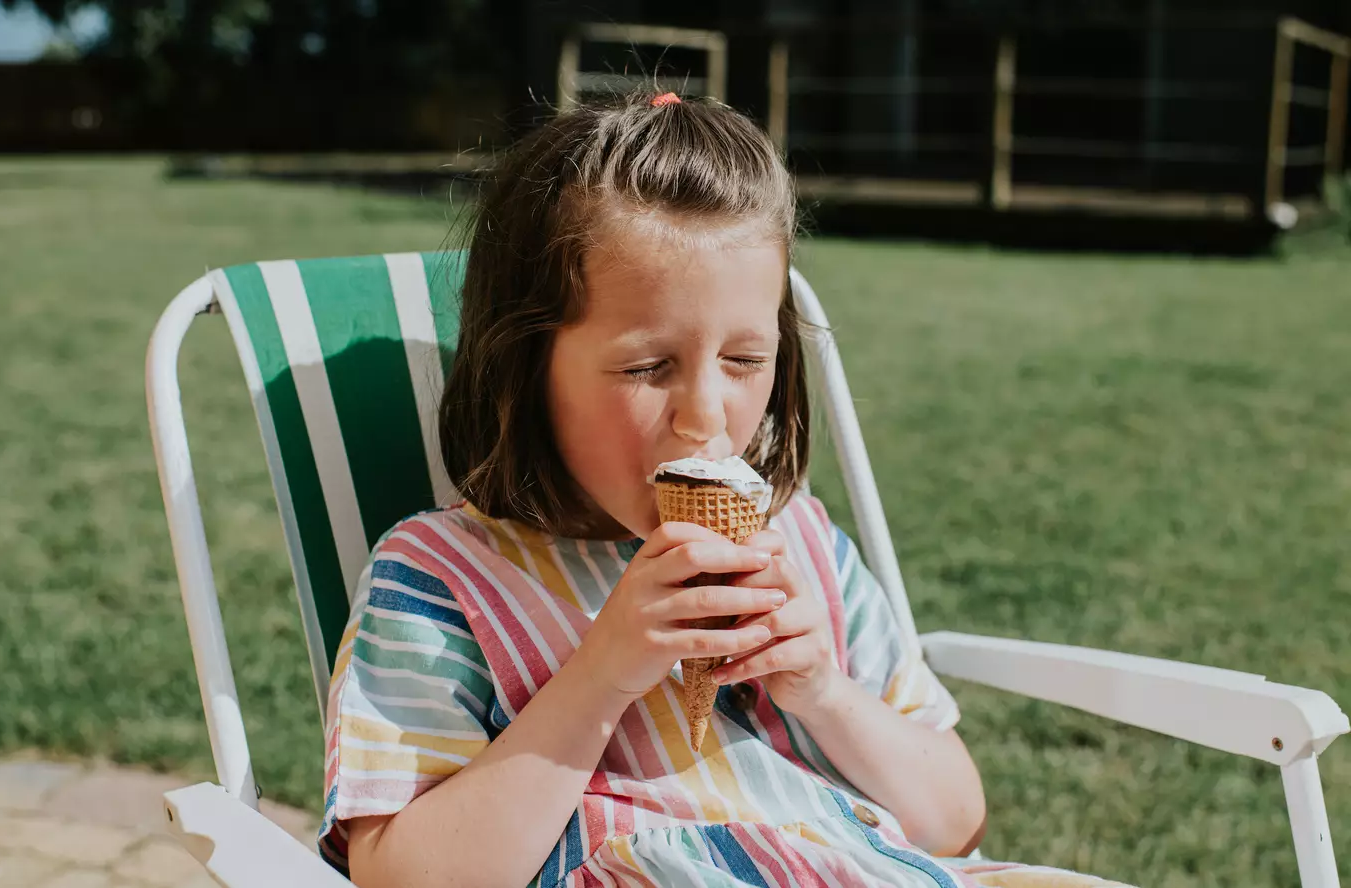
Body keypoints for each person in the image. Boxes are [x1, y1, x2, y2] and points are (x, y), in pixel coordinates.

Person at [317, 90, 1130, 888]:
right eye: (646, 367)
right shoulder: (441, 581)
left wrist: (822, 691)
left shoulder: (805, 547)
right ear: (524, 367)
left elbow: (953, 821)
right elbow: (401, 873)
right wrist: (599, 677)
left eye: (744, 361)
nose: (705, 417)